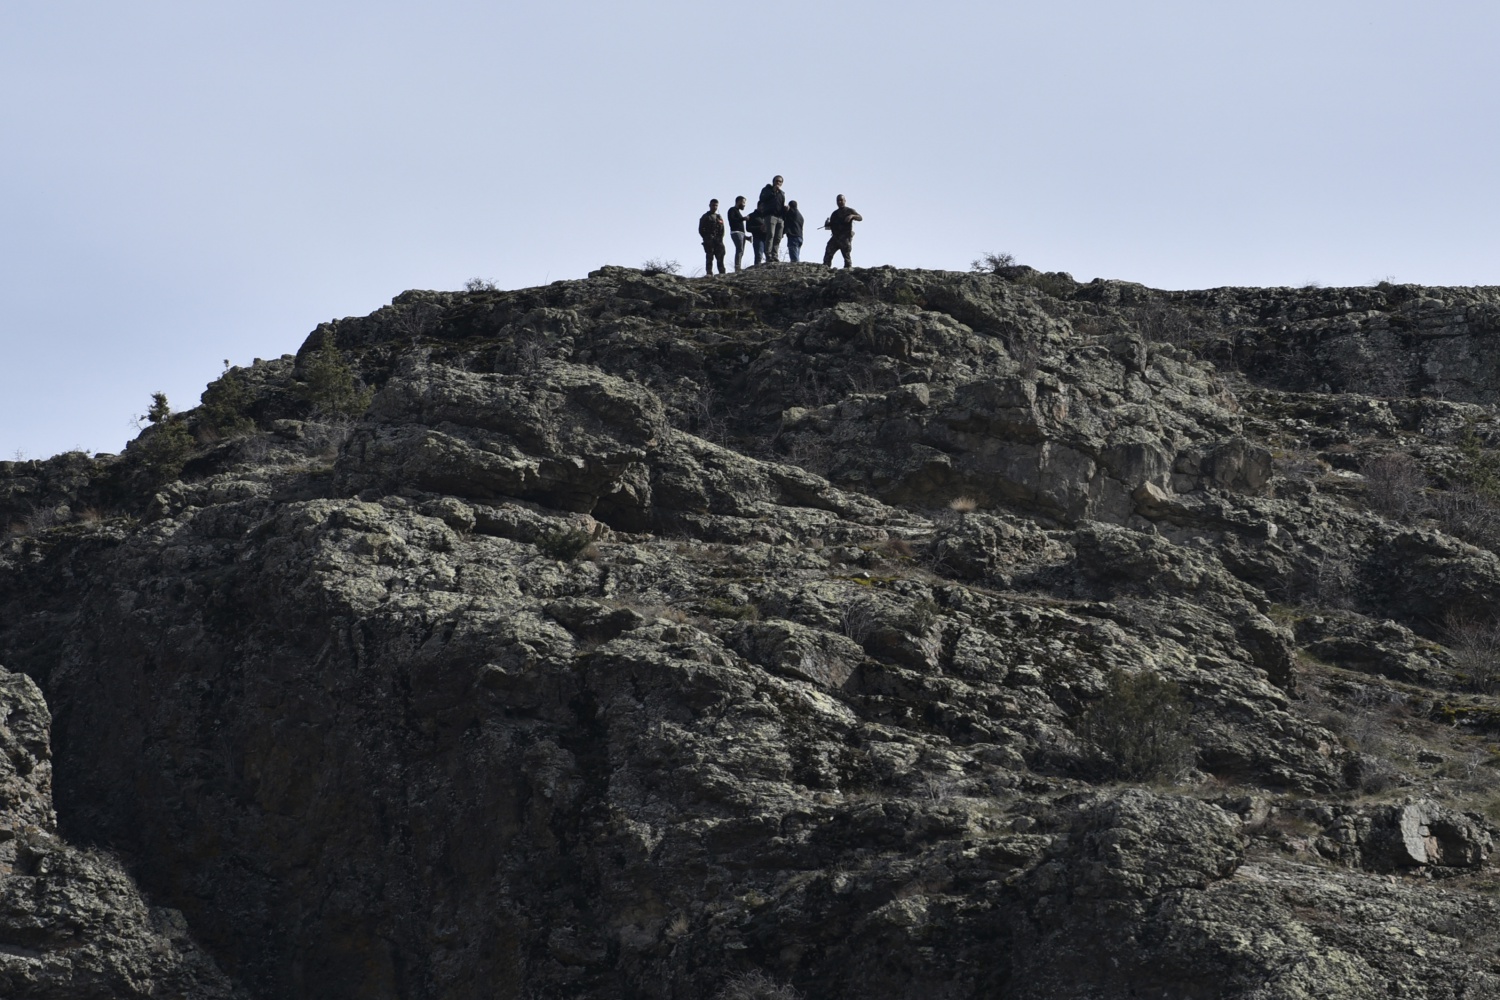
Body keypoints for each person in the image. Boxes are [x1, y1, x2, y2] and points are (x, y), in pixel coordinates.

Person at [822, 194, 863, 268]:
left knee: (846, 257)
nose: (840, 202)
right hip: (835, 238)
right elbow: (830, 227)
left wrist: (852, 216)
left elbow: (860, 218)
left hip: (845, 238)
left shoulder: (849, 210)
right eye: (838, 200)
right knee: (828, 254)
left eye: (841, 200)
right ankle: (826, 270)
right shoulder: (834, 214)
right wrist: (827, 224)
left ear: (845, 201)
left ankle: (847, 272)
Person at [757, 175, 787, 262]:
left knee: (778, 237)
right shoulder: (767, 189)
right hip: (770, 216)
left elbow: (781, 204)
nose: (778, 183)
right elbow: (762, 198)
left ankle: (775, 255)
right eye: (777, 181)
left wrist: (785, 209)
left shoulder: (782, 193)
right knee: (770, 235)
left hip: (780, 217)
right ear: (773, 181)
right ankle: (768, 255)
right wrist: (772, 192)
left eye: (780, 181)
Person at [698, 199, 726, 275]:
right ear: (710, 205)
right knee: (709, 257)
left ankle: (722, 272)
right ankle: (709, 272)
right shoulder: (705, 216)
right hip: (709, 240)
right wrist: (706, 238)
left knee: (720, 256)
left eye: (716, 205)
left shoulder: (719, 217)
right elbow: (701, 229)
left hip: (718, 240)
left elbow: (722, 229)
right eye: (713, 205)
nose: (714, 207)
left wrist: (720, 239)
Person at [727, 196, 750, 271]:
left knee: (741, 250)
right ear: (739, 201)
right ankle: (737, 267)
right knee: (739, 249)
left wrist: (746, 237)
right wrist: (743, 218)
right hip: (736, 232)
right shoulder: (732, 210)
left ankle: (738, 266)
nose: (744, 205)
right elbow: (733, 220)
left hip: (741, 234)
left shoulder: (738, 211)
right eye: (743, 202)